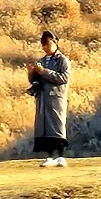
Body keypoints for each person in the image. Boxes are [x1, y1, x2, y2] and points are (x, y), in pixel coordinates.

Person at [27, 30, 70, 167]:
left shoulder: (63, 60)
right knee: (45, 128)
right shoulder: (42, 61)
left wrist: (44, 72)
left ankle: (61, 156)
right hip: (43, 99)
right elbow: (35, 80)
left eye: (48, 44)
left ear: (55, 42)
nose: (46, 47)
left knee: (57, 126)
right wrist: (31, 73)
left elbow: (63, 78)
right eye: (43, 45)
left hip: (56, 98)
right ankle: (50, 156)